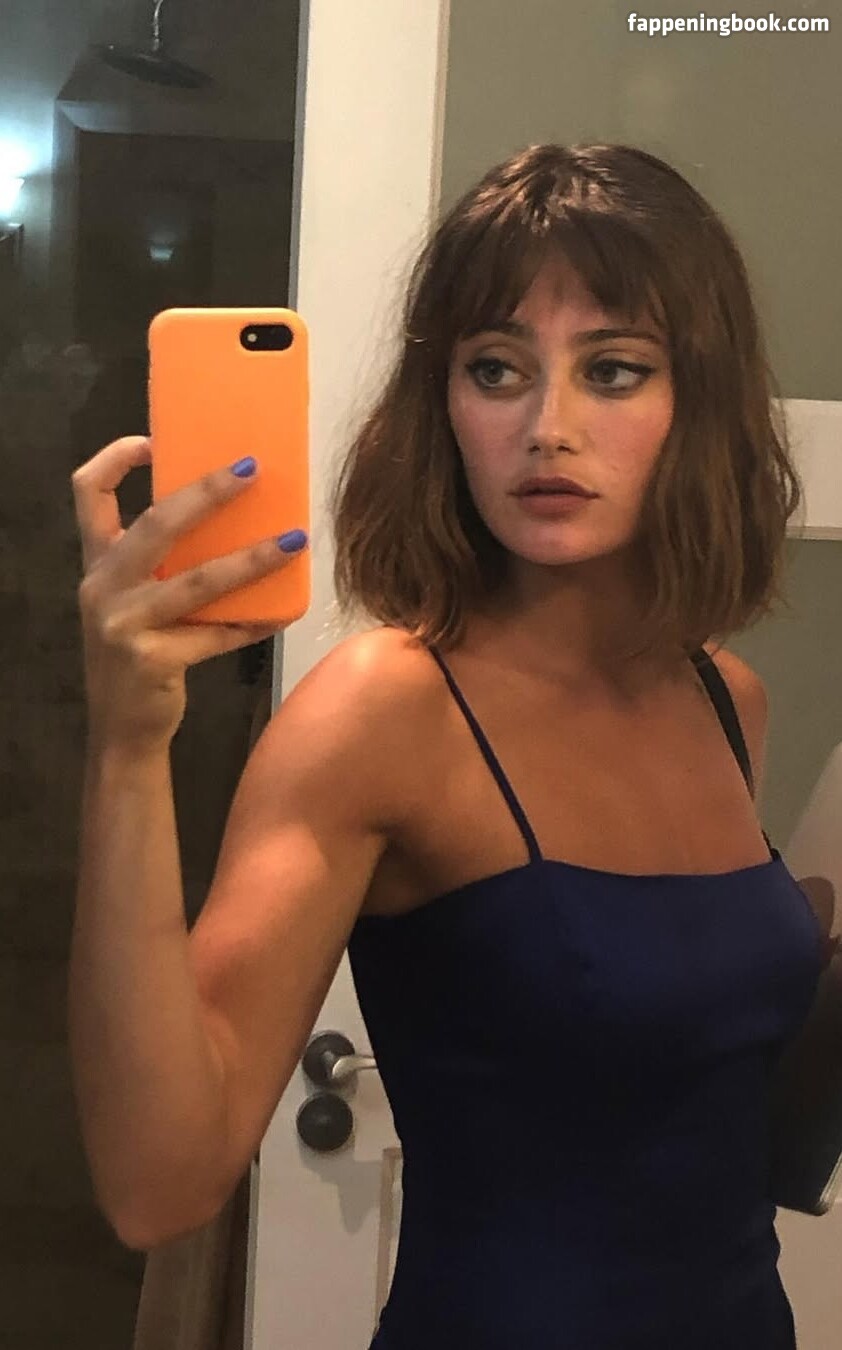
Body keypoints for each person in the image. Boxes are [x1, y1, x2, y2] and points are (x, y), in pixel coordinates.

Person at [69, 143, 824, 1349]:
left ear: (699, 404)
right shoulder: (384, 710)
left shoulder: (724, 697)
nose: (546, 427)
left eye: (612, 370)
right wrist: (124, 748)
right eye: (495, 370)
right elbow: (160, 1184)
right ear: (444, 407)